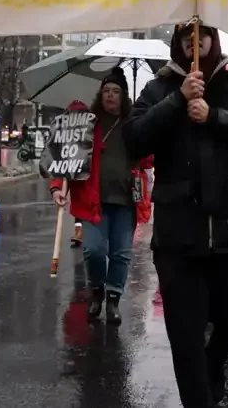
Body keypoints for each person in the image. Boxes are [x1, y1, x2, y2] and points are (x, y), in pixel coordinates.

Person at [124, 23, 228, 407]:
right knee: (185, 335)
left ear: (214, 39)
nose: (194, 44)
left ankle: (213, 365)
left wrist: (215, 117)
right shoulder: (161, 87)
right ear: (178, 44)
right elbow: (134, 138)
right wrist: (177, 100)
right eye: (185, 38)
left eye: (201, 37)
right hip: (180, 237)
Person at [50, 68, 153, 324]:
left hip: (127, 201)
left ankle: (114, 299)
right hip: (92, 200)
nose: (110, 95)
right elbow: (65, 154)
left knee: (121, 254)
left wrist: (149, 137)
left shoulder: (134, 125)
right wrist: (56, 187)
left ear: (124, 95)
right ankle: (97, 291)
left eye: (116, 91)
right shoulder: (87, 123)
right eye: (106, 91)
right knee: (93, 251)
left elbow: (149, 159)